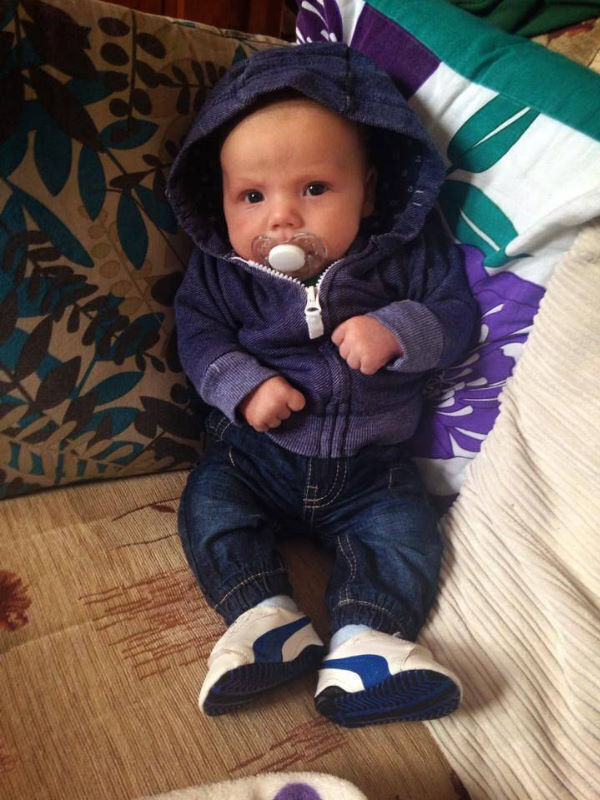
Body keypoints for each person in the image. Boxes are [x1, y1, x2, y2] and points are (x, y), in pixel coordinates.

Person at [167, 42, 478, 728]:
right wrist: (244, 385)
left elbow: (457, 316)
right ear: (220, 200)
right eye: (252, 196)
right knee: (209, 506)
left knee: (406, 535)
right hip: (256, 455)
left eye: (313, 189)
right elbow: (198, 334)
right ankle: (262, 614)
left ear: (369, 187)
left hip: (374, 468)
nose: (281, 218)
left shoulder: (405, 256)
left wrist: (398, 330)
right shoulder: (221, 271)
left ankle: (366, 640)